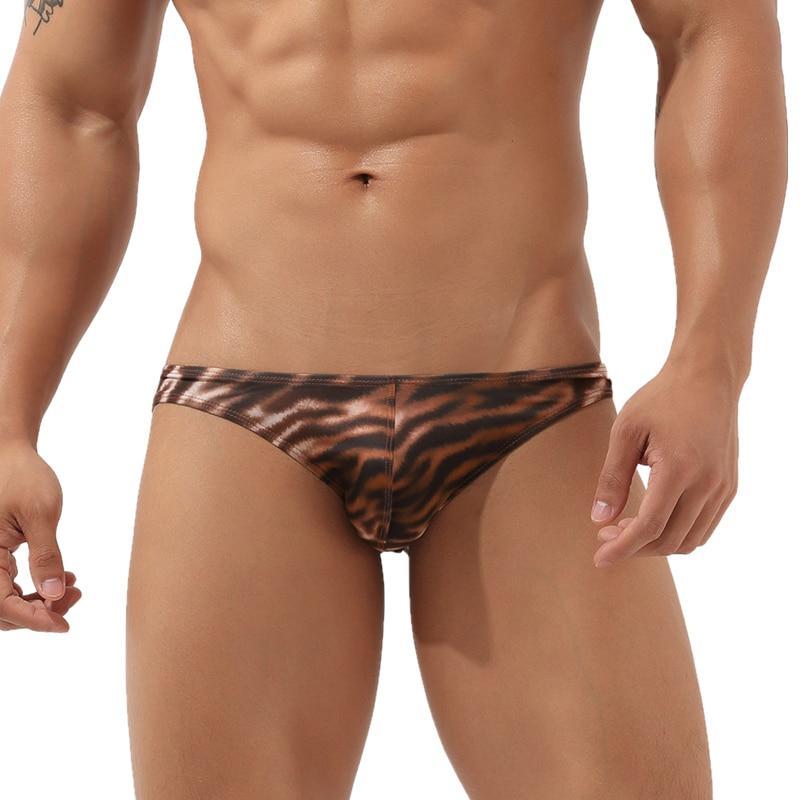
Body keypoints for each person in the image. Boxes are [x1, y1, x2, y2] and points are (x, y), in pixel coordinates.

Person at [0, 1, 787, 797]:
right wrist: (7, 424)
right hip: (242, 407)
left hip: (529, 403)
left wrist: (711, 361)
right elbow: (71, 106)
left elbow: (711, 28)